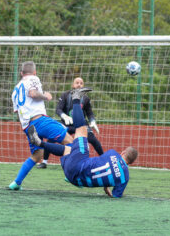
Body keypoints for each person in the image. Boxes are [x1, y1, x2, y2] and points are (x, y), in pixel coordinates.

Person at [28, 87, 138, 198]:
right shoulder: (125, 178)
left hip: (78, 165)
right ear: (131, 163)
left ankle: (76, 97)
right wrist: (107, 185)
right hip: (72, 178)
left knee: (81, 129)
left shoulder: (113, 153)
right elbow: (115, 195)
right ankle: (39, 143)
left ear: (123, 152)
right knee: (68, 149)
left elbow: (105, 163)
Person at [9, 61, 73, 190]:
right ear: (34, 72)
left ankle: (16, 183)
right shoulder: (33, 78)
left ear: (21, 73)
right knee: (70, 141)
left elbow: (18, 112)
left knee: (37, 155)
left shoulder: (15, 90)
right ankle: (70, 174)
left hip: (27, 126)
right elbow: (33, 93)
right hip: (40, 121)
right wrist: (46, 96)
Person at [37, 77, 104, 169]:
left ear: (83, 85)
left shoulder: (86, 98)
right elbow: (58, 109)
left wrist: (92, 121)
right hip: (66, 124)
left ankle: (104, 159)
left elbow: (89, 113)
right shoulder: (65, 95)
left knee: (93, 140)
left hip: (80, 125)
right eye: (77, 82)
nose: (79, 84)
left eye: (81, 83)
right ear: (73, 85)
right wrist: (64, 116)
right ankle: (44, 162)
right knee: (52, 138)